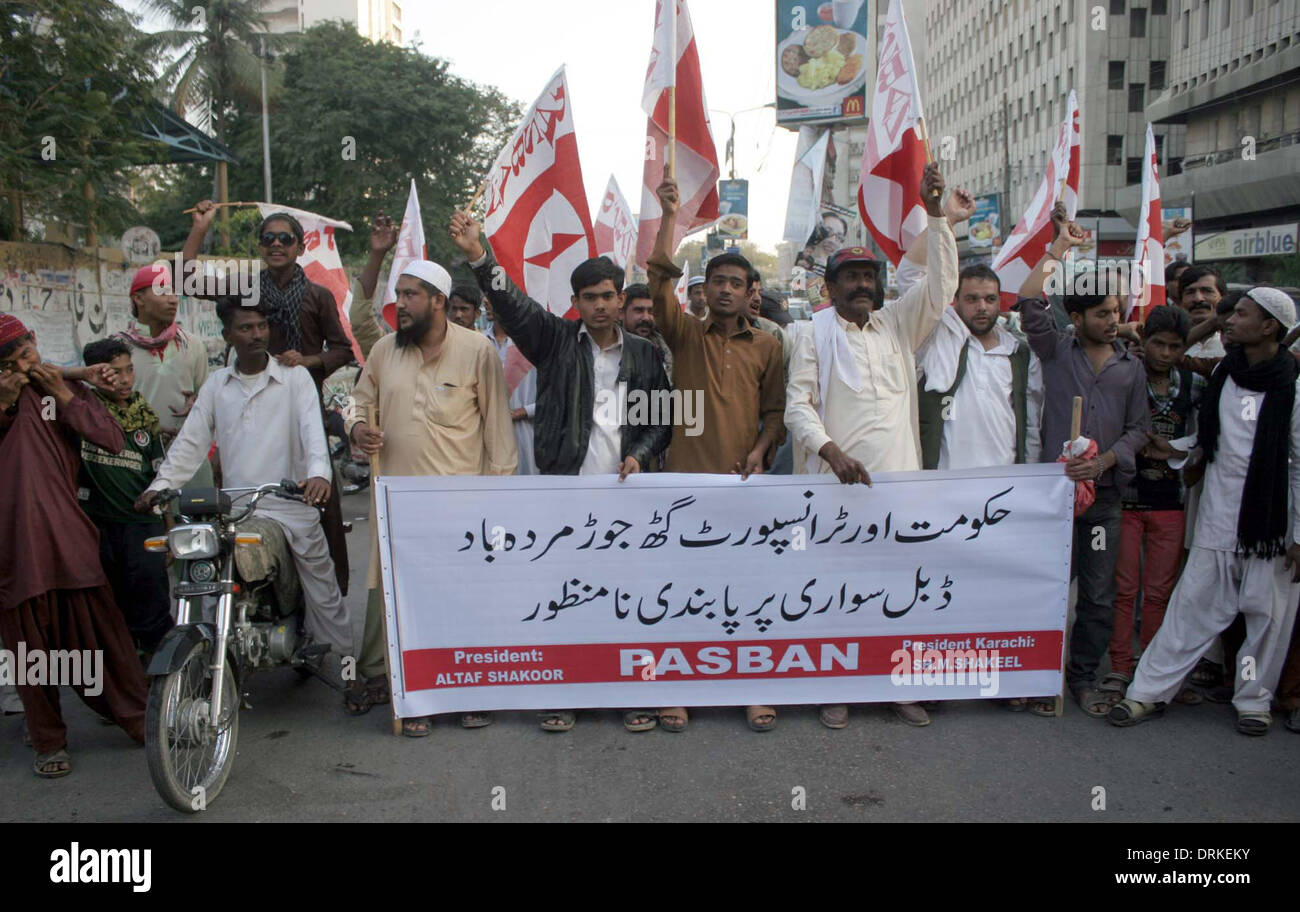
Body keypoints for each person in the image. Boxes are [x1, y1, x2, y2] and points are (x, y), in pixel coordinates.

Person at [452, 211, 672, 733]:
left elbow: (663, 421)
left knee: (626, 599)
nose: (600, 305)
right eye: (589, 297)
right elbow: (514, 304)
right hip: (563, 496)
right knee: (566, 598)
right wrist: (480, 257)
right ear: (575, 304)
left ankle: (630, 695)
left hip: (626, 500)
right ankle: (562, 693)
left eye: (608, 295)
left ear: (621, 298)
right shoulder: (554, 342)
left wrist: (639, 453)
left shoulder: (644, 356)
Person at [785, 163, 958, 729]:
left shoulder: (898, 326)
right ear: (829, 286)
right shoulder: (812, 332)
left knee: (897, 590)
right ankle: (837, 687)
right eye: (850, 276)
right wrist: (829, 451)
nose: (861, 284)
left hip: (897, 491)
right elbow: (797, 405)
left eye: (869, 275)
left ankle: (898, 685)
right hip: (834, 491)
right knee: (834, 593)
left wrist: (936, 217)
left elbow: (941, 287)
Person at [1110, 288, 1300, 735]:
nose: (1228, 320)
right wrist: (1169, 448)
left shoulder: (1293, 388)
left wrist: (1299, 535)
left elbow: (1298, 465)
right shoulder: (1225, 376)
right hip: (1218, 515)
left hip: (1272, 526)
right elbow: (1207, 445)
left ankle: (1254, 701)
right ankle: (1146, 693)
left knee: (1267, 618)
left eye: (1241, 314)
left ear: (1269, 327)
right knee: (1190, 608)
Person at [346, 259, 517, 736]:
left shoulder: (478, 351)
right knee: (407, 608)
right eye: (398, 294)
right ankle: (413, 697)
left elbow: (498, 430)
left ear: (438, 301)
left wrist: (498, 505)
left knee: (464, 605)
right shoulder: (383, 351)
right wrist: (358, 426)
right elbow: (357, 401)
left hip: (461, 509)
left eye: (411, 295)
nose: (399, 304)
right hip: (398, 510)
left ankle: (470, 694)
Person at [647, 166, 786, 734]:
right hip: (685, 489)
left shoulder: (769, 345)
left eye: (736, 281)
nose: (725, 289)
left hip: (745, 490)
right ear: (701, 291)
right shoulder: (682, 334)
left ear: (750, 291)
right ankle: (678, 693)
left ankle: (751, 690)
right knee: (683, 595)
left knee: (748, 595)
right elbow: (657, 280)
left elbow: (776, 413)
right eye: (716, 281)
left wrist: (761, 449)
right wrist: (670, 217)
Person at [137, 298, 353, 661]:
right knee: (205, 578)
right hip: (237, 509)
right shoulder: (216, 385)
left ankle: (348, 668)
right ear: (227, 335)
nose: (256, 335)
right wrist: (159, 487)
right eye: (246, 328)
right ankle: (209, 650)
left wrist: (318, 475)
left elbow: (313, 433)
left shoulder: (293, 377)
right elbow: (191, 441)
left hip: (290, 504)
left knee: (322, 585)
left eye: (261, 327)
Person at [0, 314, 148, 778]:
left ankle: (139, 717)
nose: (25, 368)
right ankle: (48, 740)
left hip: (66, 537)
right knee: (28, 651)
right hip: (12, 549)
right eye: (12, 364)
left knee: (104, 636)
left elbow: (109, 437)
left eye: (27, 356)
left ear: (36, 344)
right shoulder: (8, 397)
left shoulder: (59, 393)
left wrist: (65, 390)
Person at [1017, 217, 1152, 719]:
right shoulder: (1054, 350)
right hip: (1054, 499)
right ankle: (1038, 678)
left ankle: (1081, 679)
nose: (1112, 320)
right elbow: (1030, 299)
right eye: (1100, 312)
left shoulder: (1130, 367)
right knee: (1051, 587)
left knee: (1097, 594)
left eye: (1116, 311)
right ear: (1075, 317)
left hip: (1105, 500)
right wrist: (1058, 247)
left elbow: (1139, 428)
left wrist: (1105, 461)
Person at [185, 201, 354, 595]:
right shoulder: (247, 288)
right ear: (260, 246)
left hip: (301, 409)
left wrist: (307, 359)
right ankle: (249, 592)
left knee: (317, 497)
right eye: (268, 239)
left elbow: (344, 349)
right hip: (249, 404)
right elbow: (189, 281)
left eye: (285, 239)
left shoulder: (318, 295)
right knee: (241, 496)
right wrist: (200, 228)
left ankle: (325, 599)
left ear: (299, 246)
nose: (276, 245)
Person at [1102, 305, 1205, 700]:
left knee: (1160, 592)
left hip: (1170, 500)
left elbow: (1208, 435)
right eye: (1157, 344)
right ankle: (1121, 667)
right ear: (1143, 342)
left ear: (1183, 348)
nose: (1164, 353)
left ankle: (1155, 670)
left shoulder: (1195, 385)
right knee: (1125, 589)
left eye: (1173, 347)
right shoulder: (1126, 376)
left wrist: (1176, 448)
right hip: (1128, 499)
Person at [77, 338, 174, 655]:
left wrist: (169, 527)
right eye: (112, 373)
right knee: (111, 605)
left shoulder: (145, 417)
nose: (124, 380)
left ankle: (162, 674)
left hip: (143, 526)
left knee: (152, 601)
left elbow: (159, 475)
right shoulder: (83, 412)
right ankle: (125, 675)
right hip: (98, 528)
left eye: (128, 370)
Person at [917, 262, 1043, 472]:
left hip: (1003, 481)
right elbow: (910, 277)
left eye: (990, 299)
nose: (982, 307)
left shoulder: (1018, 354)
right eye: (972, 299)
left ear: (1000, 302)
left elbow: (1031, 423)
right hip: (945, 480)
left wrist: (1030, 475)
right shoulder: (937, 343)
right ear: (955, 301)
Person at [119, 262, 213, 487]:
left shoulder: (193, 345)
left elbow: (209, 402)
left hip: (187, 459)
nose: (172, 299)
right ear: (138, 299)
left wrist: (196, 405)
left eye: (173, 292)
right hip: (134, 460)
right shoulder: (117, 348)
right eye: (162, 291)